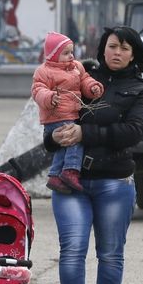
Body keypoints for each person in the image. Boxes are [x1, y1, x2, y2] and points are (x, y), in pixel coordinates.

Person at [45, 26, 143, 284]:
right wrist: (55, 138)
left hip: (114, 183)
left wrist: (84, 134)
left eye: (123, 48)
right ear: (102, 49)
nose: (116, 52)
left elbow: (133, 132)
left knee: (109, 256)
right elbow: (50, 128)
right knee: (72, 253)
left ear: (133, 53)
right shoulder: (76, 76)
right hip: (69, 182)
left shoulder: (141, 90)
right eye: (111, 46)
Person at [32, 32, 104, 194]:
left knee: (62, 147)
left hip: (71, 114)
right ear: (53, 55)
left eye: (72, 52)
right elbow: (38, 90)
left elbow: (85, 80)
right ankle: (71, 170)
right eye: (65, 53)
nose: (71, 56)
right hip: (55, 115)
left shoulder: (77, 67)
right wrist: (49, 97)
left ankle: (55, 176)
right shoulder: (44, 71)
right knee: (74, 141)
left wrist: (93, 88)